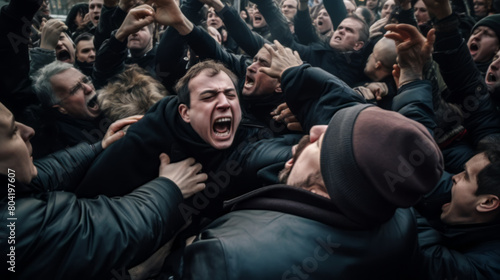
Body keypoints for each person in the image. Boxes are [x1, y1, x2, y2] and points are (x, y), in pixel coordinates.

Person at [180, 40, 444, 279]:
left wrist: (167, 195)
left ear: (338, 179)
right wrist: (413, 81)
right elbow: (402, 148)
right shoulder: (399, 215)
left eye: (327, 142)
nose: (314, 130)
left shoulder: (226, 256)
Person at [0, 102, 208, 279]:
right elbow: (112, 230)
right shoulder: (11, 226)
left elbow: (41, 176)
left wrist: (97, 148)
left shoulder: (9, 182)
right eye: (12, 132)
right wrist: (170, 187)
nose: (28, 130)